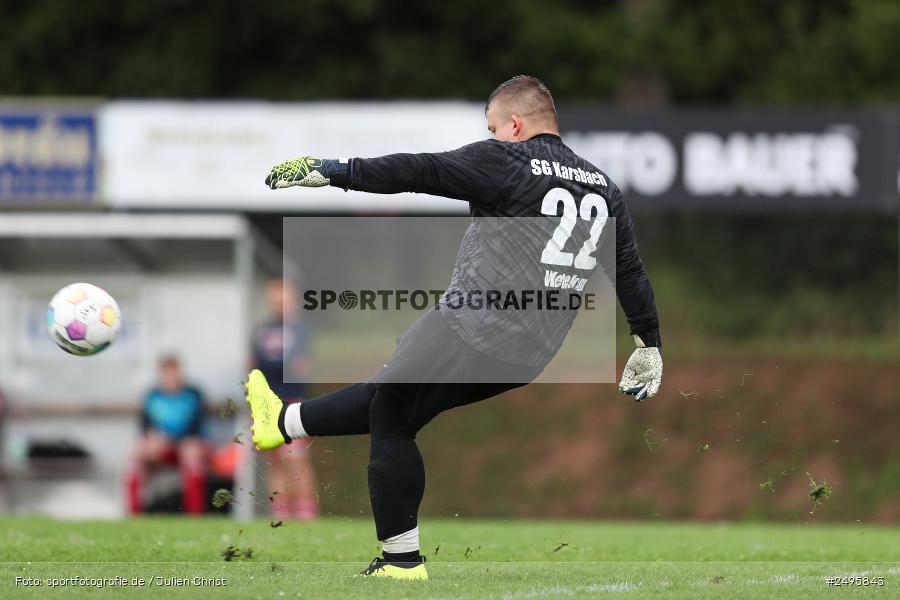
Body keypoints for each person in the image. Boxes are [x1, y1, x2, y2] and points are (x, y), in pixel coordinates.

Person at [246, 75, 663, 580]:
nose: (489, 136)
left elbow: (420, 170)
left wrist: (334, 171)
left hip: (473, 323)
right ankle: (282, 423)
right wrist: (649, 343)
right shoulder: (604, 186)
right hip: (529, 356)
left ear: (515, 124)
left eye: (492, 126)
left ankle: (401, 563)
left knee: (393, 415)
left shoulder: (505, 160)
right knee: (391, 401)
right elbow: (630, 272)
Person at [250, 278, 317, 520]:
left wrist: (279, 366)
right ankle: (280, 513)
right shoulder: (261, 331)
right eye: (275, 300)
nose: (279, 305)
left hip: (293, 401)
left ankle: (306, 511)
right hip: (267, 404)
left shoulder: (300, 331)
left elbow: (301, 366)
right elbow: (254, 367)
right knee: (275, 459)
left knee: (296, 458)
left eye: (283, 300)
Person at [126, 355, 207, 515]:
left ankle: (195, 514)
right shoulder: (152, 396)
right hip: (160, 447)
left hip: (185, 445)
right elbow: (145, 427)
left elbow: (196, 426)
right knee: (135, 455)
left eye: (174, 373)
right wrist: (154, 439)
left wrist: (175, 440)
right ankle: (134, 514)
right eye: (167, 373)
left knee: (192, 454)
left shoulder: (193, 394)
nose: (172, 377)